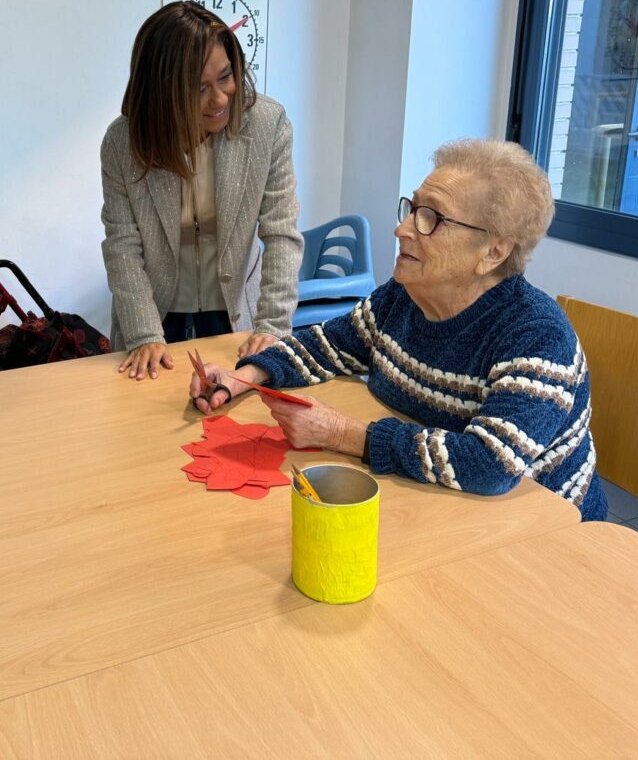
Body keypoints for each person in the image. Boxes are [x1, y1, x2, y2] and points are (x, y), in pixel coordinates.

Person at [189, 139, 608, 520]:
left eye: (431, 219)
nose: (402, 229)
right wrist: (243, 378)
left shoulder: (536, 336)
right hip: (438, 506)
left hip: (543, 533)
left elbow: (487, 466)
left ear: (493, 252)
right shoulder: (406, 294)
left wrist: (342, 433)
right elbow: (329, 345)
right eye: (412, 209)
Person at [100, 1, 304, 381]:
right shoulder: (123, 142)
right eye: (199, 89)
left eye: (226, 77)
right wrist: (144, 332)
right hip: (155, 314)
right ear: (162, 93)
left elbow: (281, 232)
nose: (221, 99)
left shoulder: (266, 124)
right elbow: (122, 246)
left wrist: (273, 326)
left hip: (236, 309)